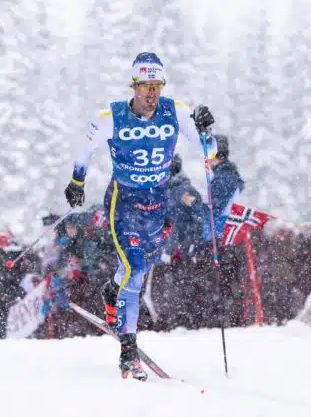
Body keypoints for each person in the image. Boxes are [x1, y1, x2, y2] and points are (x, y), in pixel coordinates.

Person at [63, 52, 216, 380]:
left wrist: (206, 130)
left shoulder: (175, 112)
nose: (151, 93)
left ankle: (111, 291)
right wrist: (77, 181)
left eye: (156, 86)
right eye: (145, 86)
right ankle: (128, 352)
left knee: (135, 271)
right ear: (134, 86)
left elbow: (210, 153)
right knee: (134, 270)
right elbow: (84, 147)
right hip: (124, 204)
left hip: (157, 207)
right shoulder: (112, 117)